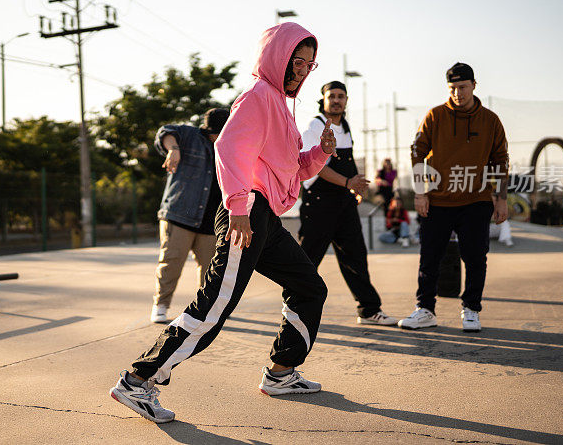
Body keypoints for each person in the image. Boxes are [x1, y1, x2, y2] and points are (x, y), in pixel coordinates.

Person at [110, 22, 336, 423]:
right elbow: (229, 149)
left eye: (308, 64)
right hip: (246, 212)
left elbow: (291, 170)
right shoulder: (258, 95)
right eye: (295, 61)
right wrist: (237, 209)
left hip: (265, 216)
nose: (301, 70)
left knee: (309, 287)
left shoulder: (281, 106)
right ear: (276, 58)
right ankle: (137, 381)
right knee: (213, 306)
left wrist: (319, 152)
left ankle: (281, 372)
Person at [398, 62, 508, 333]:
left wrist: (501, 197)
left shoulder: (490, 120)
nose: (458, 93)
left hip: (476, 200)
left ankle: (471, 310)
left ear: (473, 85)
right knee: (430, 257)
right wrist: (421, 192)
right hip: (438, 201)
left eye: (462, 87)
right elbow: (417, 153)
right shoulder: (435, 116)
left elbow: (501, 160)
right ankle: (425, 310)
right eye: (452, 88)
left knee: (475, 257)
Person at [298, 80, 397, 326]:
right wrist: (347, 183)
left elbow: (347, 164)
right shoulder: (316, 125)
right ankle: (294, 309)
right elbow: (317, 168)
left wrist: (355, 190)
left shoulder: (346, 127)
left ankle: (368, 310)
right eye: (331, 96)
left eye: (341, 96)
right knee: (307, 260)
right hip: (319, 204)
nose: (336, 100)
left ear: (346, 100)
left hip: (344, 202)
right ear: (324, 99)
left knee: (356, 257)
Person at [150, 108, 230, 323]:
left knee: (211, 269)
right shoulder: (188, 136)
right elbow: (164, 132)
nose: (217, 137)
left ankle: (205, 310)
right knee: (171, 262)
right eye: (214, 133)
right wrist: (173, 149)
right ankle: (161, 305)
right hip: (180, 214)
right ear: (207, 129)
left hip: (212, 220)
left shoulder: (230, 145)